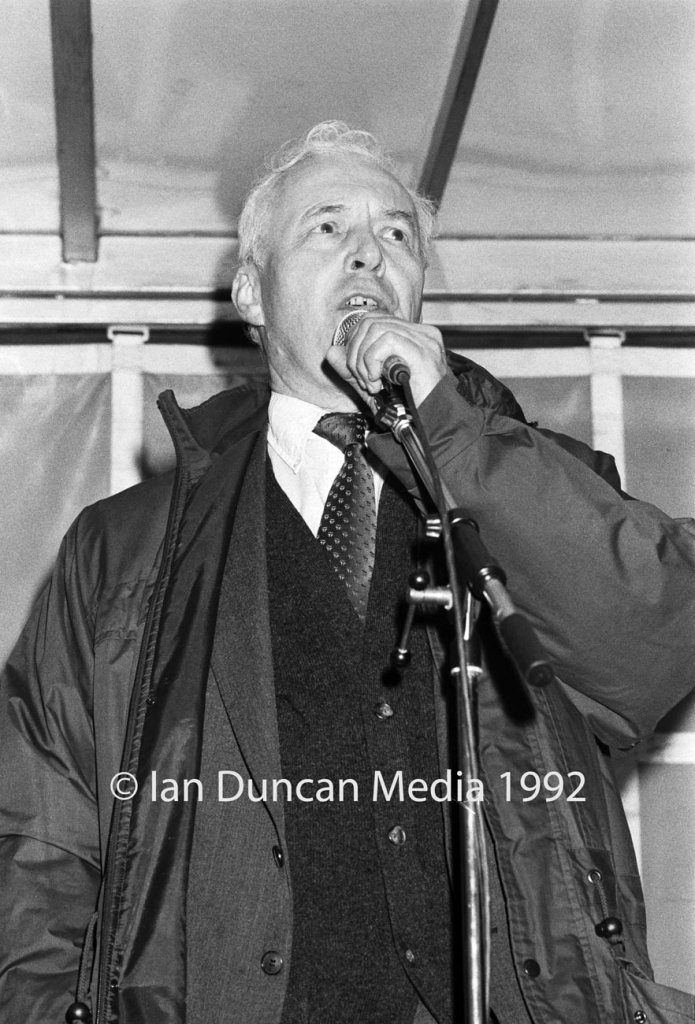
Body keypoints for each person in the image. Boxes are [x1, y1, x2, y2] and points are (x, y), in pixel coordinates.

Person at [1, 121, 695, 1024]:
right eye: (327, 228)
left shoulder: (531, 483)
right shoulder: (124, 546)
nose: (370, 252)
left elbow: (653, 642)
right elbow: (40, 845)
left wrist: (448, 427)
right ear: (252, 291)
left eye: (398, 236)